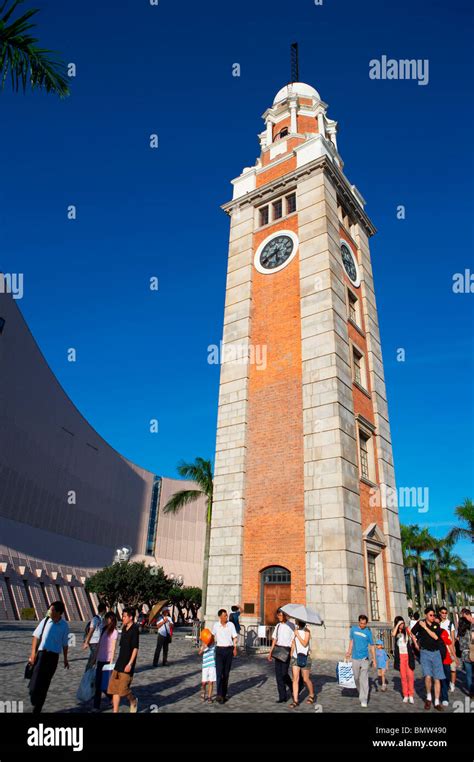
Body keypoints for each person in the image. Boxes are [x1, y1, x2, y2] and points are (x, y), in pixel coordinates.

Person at [28, 600, 69, 714]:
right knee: (34, 684)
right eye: (50, 609)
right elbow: (36, 637)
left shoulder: (64, 626)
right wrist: (32, 654)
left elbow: (65, 644)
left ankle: (37, 709)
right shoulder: (45, 621)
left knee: (45, 684)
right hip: (41, 655)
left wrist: (65, 659)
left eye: (52, 609)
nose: (50, 611)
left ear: (59, 612)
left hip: (53, 658)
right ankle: (33, 695)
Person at [411, 606, 445, 711]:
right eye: (430, 615)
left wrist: (425, 627)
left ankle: (437, 701)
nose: (432, 617)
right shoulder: (419, 624)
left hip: (436, 653)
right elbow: (411, 632)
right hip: (425, 652)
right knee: (428, 676)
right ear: (426, 615)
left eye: (434, 615)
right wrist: (416, 643)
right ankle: (429, 697)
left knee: (437, 678)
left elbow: (435, 637)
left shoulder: (436, 625)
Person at [108, 608, 139, 713]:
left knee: (123, 690)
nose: (123, 618)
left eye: (125, 616)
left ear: (131, 617)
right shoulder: (124, 628)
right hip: (119, 662)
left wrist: (130, 664)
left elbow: (135, 648)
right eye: (122, 616)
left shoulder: (135, 629)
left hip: (128, 664)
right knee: (114, 689)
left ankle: (133, 700)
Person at [345, 614, 376, 708]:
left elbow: (372, 646)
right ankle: (360, 691)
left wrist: (374, 659)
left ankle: (364, 699)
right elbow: (351, 642)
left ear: (366, 623)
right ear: (359, 622)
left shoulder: (368, 632)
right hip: (355, 657)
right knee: (356, 678)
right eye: (361, 623)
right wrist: (348, 652)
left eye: (364, 624)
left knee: (364, 679)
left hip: (365, 658)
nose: (363, 625)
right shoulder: (353, 630)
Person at [92, 611, 118, 712]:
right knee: (98, 684)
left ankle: (112, 697)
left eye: (107, 618)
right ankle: (96, 706)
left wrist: (111, 662)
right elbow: (99, 644)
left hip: (107, 662)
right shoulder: (103, 630)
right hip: (100, 660)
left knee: (104, 685)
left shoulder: (114, 632)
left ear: (111, 620)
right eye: (105, 619)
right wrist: (94, 658)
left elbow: (113, 647)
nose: (106, 620)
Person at [268, 609, 295, 703]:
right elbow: (274, 639)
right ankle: (282, 697)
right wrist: (270, 652)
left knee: (284, 673)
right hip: (278, 650)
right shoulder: (278, 626)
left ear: (284, 615)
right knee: (278, 675)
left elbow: (293, 641)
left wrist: (292, 653)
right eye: (278, 615)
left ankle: (291, 686)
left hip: (286, 651)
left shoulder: (291, 626)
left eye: (280, 615)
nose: (278, 617)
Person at [212, 609, 238, 704]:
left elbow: (235, 637)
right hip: (219, 650)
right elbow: (211, 636)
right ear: (220, 617)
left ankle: (224, 694)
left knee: (226, 674)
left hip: (228, 650)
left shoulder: (231, 625)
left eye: (226, 615)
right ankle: (219, 694)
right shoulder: (216, 625)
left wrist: (235, 648)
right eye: (224, 615)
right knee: (219, 674)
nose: (226, 617)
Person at [289, 620, 315, 708]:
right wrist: (291, 654)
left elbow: (304, 643)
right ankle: (295, 700)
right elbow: (293, 643)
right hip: (295, 657)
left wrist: (297, 635)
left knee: (305, 679)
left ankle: (311, 694)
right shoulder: (295, 630)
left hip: (305, 657)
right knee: (295, 679)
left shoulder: (307, 631)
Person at [392, 616, 416, 703]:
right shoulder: (396, 632)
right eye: (400, 623)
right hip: (400, 657)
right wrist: (398, 625)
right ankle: (405, 694)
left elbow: (413, 637)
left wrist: (416, 644)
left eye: (402, 623)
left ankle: (411, 695)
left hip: (408, 656)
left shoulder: (407, 630)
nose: (402, 625)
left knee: (410, 676)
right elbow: (393, 634)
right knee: (403, 677)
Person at [434, 614, 456, 707]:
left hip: (446, 658)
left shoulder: (444, 632)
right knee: (441, 678)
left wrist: (454, 655)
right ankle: (444, 697)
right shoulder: (431, 633)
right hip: (436, 659)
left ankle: (446, 687)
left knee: (447, 676)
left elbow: (450, 644)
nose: (436, 625)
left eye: (438, 623)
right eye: (435, 623)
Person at [83, 601, 107, 670]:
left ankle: (92, 672)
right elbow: (91, 631)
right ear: (103, 610)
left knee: (95, 658)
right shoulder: (95, 619)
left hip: (97, 642)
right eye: (105, 610)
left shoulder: (101, 619)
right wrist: (86, 642)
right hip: (94, 642)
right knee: (93, 658)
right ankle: (87, 673)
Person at [438, 607, 457, 692]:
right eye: (443, 612)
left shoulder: (450, 624)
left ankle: (452, 683)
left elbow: (452, 638)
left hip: (450, 648)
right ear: (439, 613)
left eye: (446, 613)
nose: (444, 614)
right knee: (443, 668)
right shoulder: (437, 623)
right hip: (441, 649)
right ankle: (444, 683)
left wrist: (452, 651)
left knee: (452, 668)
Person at [457, 608, 473, 697]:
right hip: (472, 653)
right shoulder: (469, 631)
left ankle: (471, 692)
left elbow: (459, 644)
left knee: (468, 675)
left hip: (464, 654)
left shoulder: (460, 633)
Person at [198, 633, 216, 702]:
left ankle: (209, 697)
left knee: (211, 682)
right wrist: (204, 647)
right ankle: (203, 693)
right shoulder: (204, 644)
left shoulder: (214, 645)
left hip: (212, 665)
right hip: (205, 666)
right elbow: (199, 653)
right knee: (204, 683)